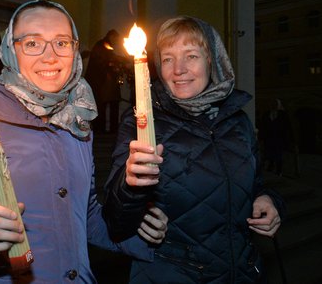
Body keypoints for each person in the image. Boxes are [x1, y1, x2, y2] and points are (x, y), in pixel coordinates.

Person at [0, 0, 168, 283]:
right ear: (10, 50)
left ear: (75, 50)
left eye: (62, 43)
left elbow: (84, 216)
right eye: (32, 43)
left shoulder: (76, 120)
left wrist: (138, 230)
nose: (50, 56)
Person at [103, 16, 286, 283]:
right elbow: (115, 217)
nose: (178, 69)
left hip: (243, 272)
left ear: (211, 59)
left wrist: (269, 200)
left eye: (190, 56)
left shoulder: (238, 122)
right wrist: (132, 191)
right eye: (167, 59)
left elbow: (257, 184)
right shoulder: (141, 123)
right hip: (173, 273)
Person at [85, 29, 130, 133]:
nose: (116, 42)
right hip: (101, 84)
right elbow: (106, 60)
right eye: (116, 39)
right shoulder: (103, 45)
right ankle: (103, 130)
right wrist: (121, 61)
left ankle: (107, 130)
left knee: (106, 106)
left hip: (103, 83)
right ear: (112, 36)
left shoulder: (104, 45)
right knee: (102, 107)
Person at [259, 98, 294, 176]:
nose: (274, 106)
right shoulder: (266, 114)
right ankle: (270, 166)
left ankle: (279, 170)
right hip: (269, 138)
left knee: (279, 155)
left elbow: (288, 127)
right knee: (269, 153)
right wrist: (261, 137)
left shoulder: (283, 115)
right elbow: (262, 126)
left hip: (279, 138)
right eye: (272, 104)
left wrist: (290, 139)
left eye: (276, 104)